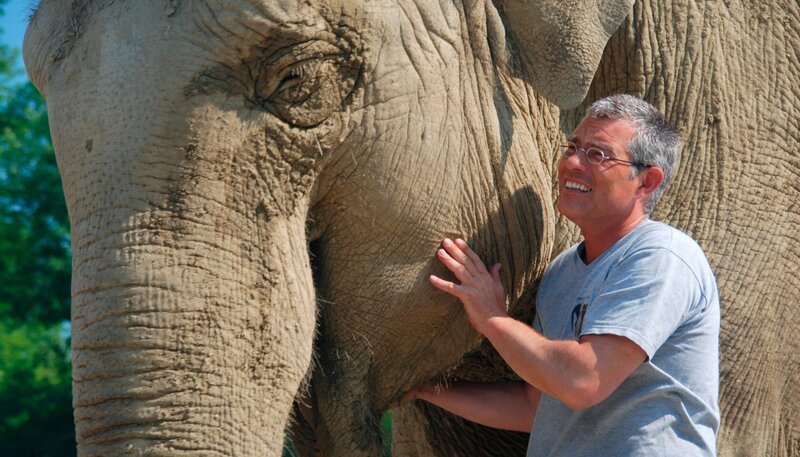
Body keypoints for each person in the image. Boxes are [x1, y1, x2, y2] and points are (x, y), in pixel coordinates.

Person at [408, 94, 720, 456]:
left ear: (647, 181)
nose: (572, 162)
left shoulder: (662, 257)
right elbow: (536, 406)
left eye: (598, 154)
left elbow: (583, 381)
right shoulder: (563, 271)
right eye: (572, 146)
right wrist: (425, 389)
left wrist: (492, 317)